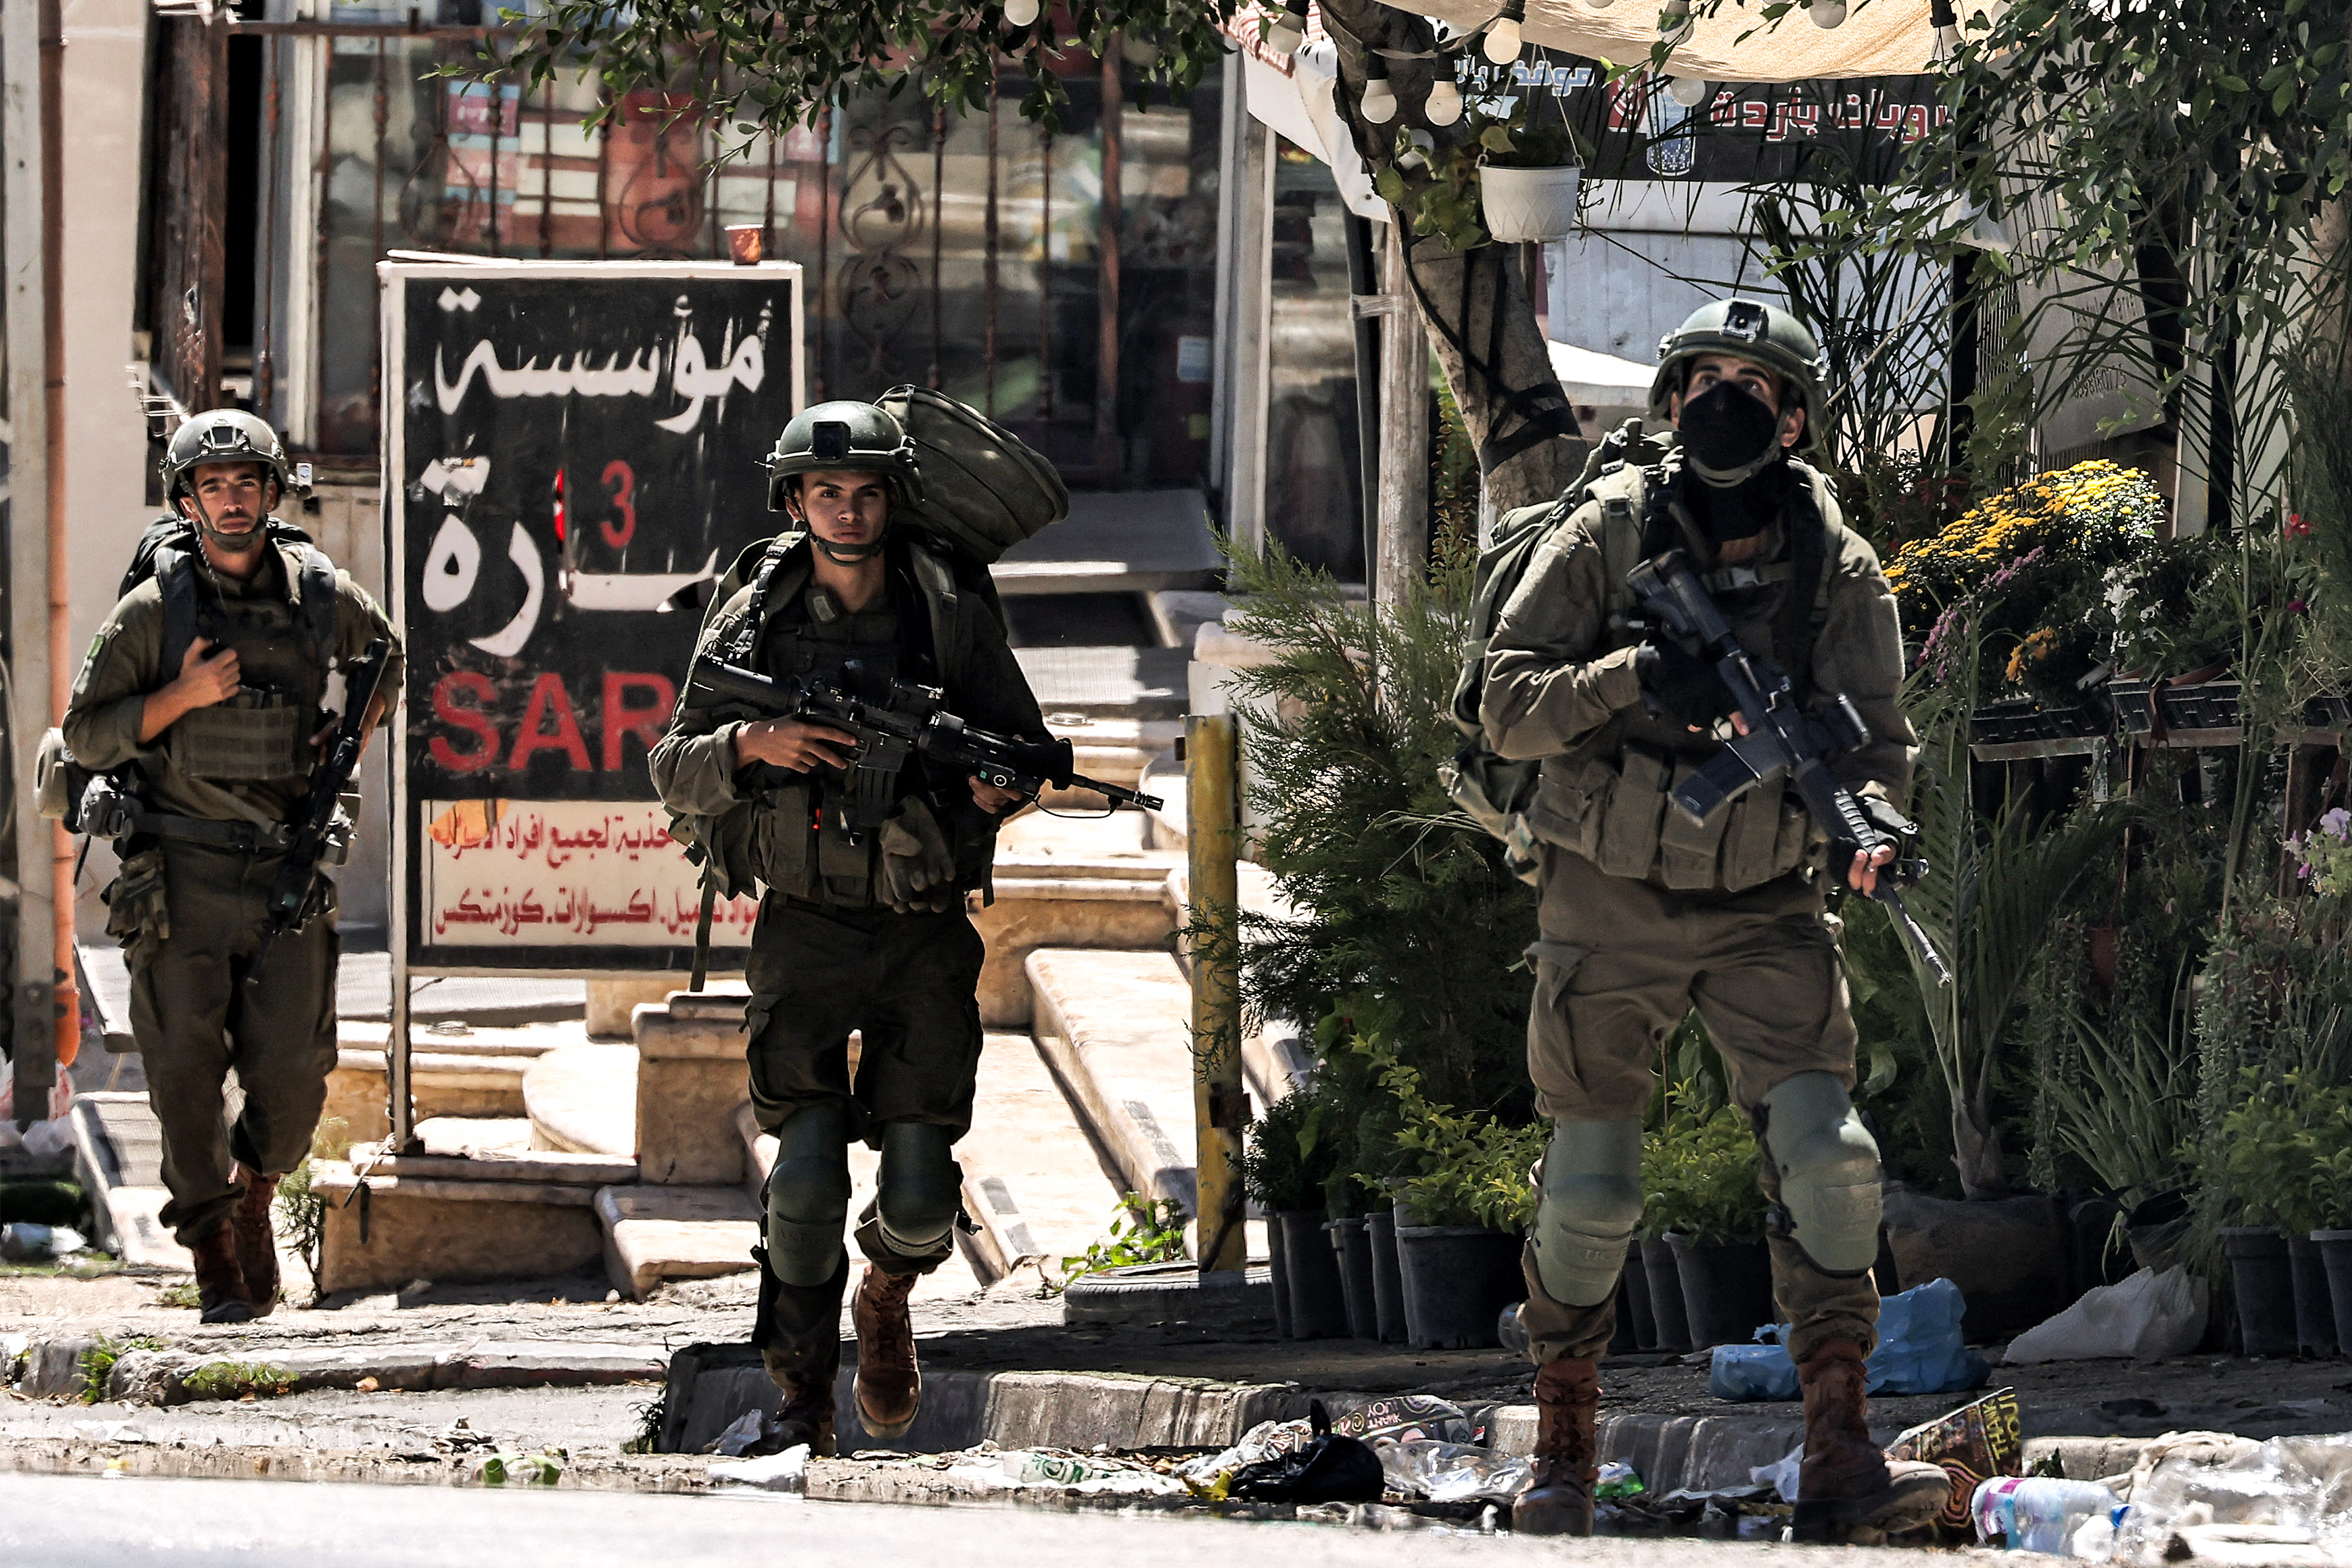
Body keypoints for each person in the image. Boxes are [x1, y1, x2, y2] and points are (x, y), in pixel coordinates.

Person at [1480, 299, 1948, 1541]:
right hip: (1610, 891)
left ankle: (1839, 1448)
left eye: (1756, 382)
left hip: (1765, 906)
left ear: (1794, 418)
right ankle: (1566, 1448)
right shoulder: (1606, 533)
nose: (1726, 400)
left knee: (1834, 1162)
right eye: (1706, 378)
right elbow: (1506, 708)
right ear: (1672, 400)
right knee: (1590, 1189)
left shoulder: (1836, 565)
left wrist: (1876, 830)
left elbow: (1881, 743)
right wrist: (1638, 677)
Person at [650, 400, 1046, 1455]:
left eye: (866, 491)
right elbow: (670, 764)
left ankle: (885, 1294)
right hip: (807, 927)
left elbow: (1022, 742)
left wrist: (1002, 792)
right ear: (794, 501)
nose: (847, 510)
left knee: (919, 1195)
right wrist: (756, 744)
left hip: (921, 930)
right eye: (826, 492)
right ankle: (801, 1394)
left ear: (892, 498)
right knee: (809, 1174)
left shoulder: (944, 610)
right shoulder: (752, 616)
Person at [62, 410, 401, 1323]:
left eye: (247, 481)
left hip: (286, 869)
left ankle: (256, 1190)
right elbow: (85, 731)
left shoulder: (320, 596)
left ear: (272, 490)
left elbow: (388, 662)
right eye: (212, 486)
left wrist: (348, 732)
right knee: (181, 1077)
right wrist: (178, 697)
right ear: (186, 501)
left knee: (294, 1078)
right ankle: (215, 1251)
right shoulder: (153, 611)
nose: (232, 499)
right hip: (179, 872)